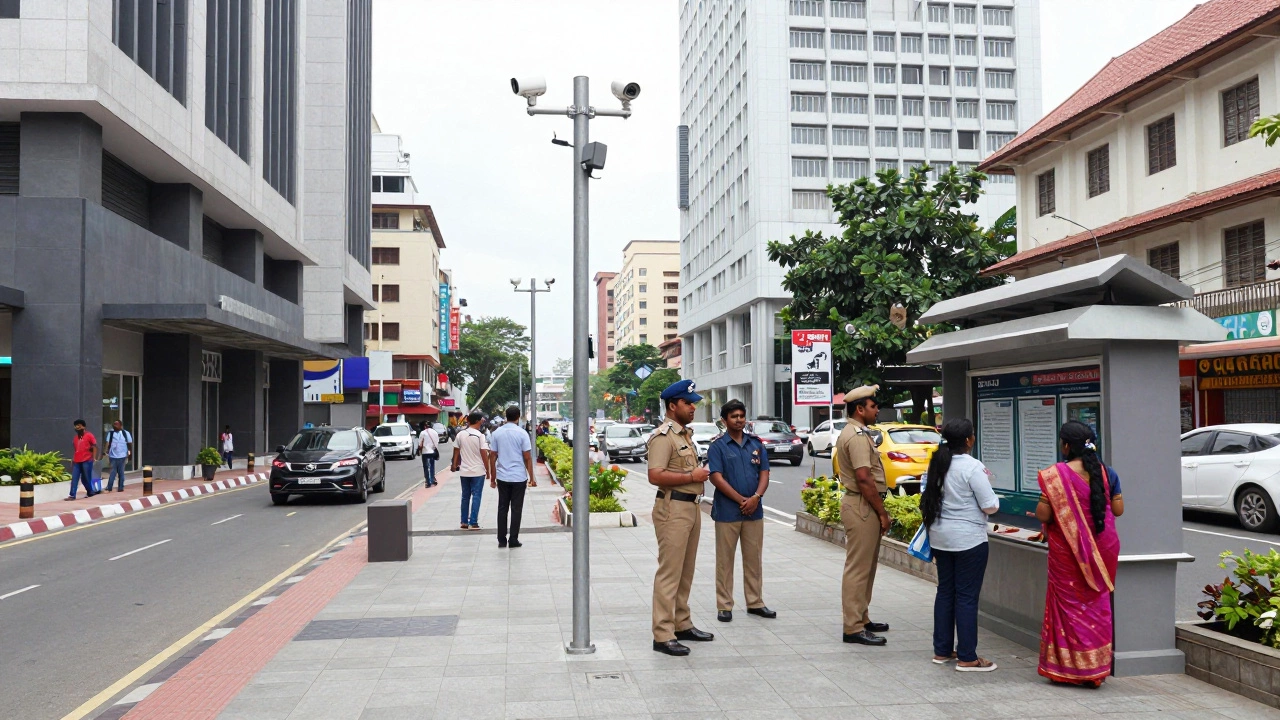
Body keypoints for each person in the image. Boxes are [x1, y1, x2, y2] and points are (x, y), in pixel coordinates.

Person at [1035, 421, 1124, 687]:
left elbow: (1045, 514)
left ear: (1065, 445)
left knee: (1068, 608)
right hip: (1104, 549)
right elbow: (1118, 510)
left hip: (1067, 552)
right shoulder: (1107, 473)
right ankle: (1095, 672)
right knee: (1097, 606)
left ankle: (1068, 669)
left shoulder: (1055, 475)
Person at [920, 418, 1000, 671]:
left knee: (945, 592)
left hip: (941, 537)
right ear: (968, 440)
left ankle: (942, 651)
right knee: (966, 597)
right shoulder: (972, 467)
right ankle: (967, 657)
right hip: (968, 540)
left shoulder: (936, 464)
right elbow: (990, 505)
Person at [646, 379, 714, 657]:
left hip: (691, 508)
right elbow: (655, 475)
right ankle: (663, 634)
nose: (693, 407)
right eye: (688, 403)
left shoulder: (684, 434)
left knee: (686, 571)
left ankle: (682, 623)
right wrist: (691, 476)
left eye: (693, 402)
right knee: (670, 572)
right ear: (673, 405)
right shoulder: (663, 436)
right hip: (673, 509)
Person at [707, 399, 775, 623]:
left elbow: (764, 472)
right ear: (724, 420)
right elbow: (716, 477)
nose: (738, 420)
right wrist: (741, 500)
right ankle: (724, 605)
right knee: (725, 561)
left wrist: (756, 498)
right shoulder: (717, 446)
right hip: (727, 513)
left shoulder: (756, 444)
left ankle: (755, 602)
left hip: (754, 512)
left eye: (741, 416)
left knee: (754, 560)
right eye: (734, 416)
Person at [836, 385, 891, 646]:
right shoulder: (857, 436)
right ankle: (853, 627)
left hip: (863, 503)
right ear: (860, 409)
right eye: (873, 406)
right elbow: (864, 477)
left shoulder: (859, 433)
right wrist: (882, 513)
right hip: (861, 505)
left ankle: (862, 617)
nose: (877, 410)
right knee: (858, 568)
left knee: (866, 567)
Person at [490, 406, 535, 548]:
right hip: (519, 477)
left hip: (502, 477)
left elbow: (492, 456)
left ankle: (501, 539)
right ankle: (513, 539)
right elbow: (527, 457)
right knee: (516, 508)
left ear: (506, 416)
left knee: (502, 508)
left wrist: (492, 477)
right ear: (518, 417)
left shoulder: (497, 433)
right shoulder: (522, 434)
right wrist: (532, 478)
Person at [451, 410, 494, 530]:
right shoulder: (480, 436)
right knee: (476, 496)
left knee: (465, 496)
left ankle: (464, 522)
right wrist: (488, 470)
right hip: (478, 471)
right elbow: (484, 454)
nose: (482, 422)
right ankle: (473, 522)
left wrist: (454, 465)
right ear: (478, 421)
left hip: (464, 471)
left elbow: (456, 451)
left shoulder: (460, 434)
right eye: (481, 420)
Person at [67, 419, 98, 500]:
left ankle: (90, 491)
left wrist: (94, 458)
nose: (77, 427)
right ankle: (72, 495)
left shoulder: (89, 435)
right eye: (76, 426)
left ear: (83, 427)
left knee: (86, 478)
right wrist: (73, 459)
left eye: (79, 425)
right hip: (77, 461)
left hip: (87, 460)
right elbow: (76, 450)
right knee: (74, 478)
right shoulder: (75, 439)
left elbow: (94, 446)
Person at [103, 420, 134, 493]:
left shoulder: (125, 433)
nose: (115, 426)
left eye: (116, 424)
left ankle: (120, 487)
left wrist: (130, 454)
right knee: (112, 472)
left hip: (122, 456)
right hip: (113, 456)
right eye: (114, 424)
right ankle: (109, 487)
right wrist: (104, 452)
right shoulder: (110, 433)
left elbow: (130, 444)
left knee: (121, 472)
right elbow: (107, 443)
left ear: (121, 426)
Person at [417, 420, 440, 488]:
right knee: (432, 466)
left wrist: (418, 450)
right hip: (433, 452)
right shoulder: (435, 432)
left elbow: (420, 444)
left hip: (425, 452)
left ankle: (428, 482)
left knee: (426, 467)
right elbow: (437, 441)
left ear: (424, 426)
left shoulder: (423, 433)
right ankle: (432, 479)